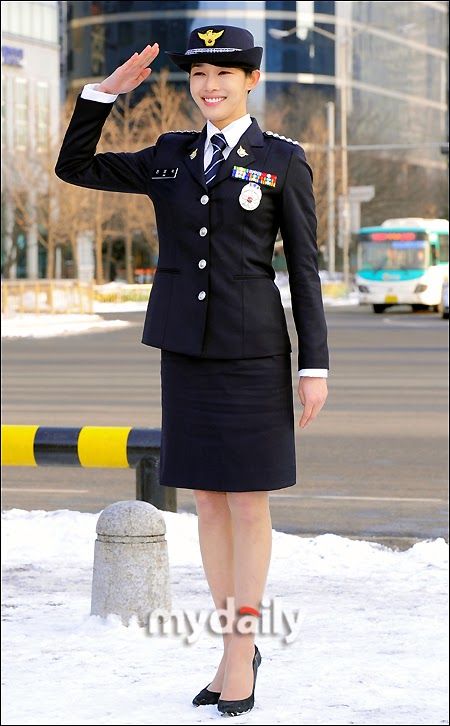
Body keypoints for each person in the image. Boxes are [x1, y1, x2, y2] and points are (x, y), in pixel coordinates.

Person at [55, 24, 329, 717]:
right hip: (186, 352)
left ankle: (240, 651)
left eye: (224, 75)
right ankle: (235, 647)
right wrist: (102, 96)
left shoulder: (283, 160)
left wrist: (314, 364)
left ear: (250, 82)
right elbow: (75, 166)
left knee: (247, 502)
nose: (209, 87)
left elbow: (303, 269)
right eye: (199, 76)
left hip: (254, 354)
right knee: (206, 502)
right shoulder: (169, 156)